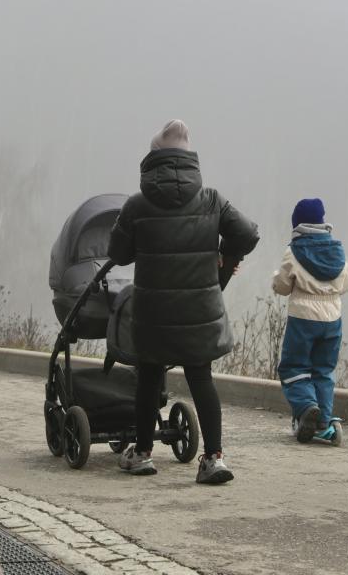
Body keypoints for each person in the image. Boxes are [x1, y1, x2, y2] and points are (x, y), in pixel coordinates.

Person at [108, 119, 259, 484]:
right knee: (201, 377)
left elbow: (118, 253)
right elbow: (248, 235)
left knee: (148, 376)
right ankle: (213, 459)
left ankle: (143, 453)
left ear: (154, 160)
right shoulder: (212, 201)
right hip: (198, 313)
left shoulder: (137, 205)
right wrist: (223, 262)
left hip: (153, 314)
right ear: (191, 159)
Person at [272, 198, 348, 442]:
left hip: (303, 318)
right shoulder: (337, 249)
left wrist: (275, 278)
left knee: (294, 367)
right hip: (332, 319)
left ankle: (307, 407)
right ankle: (324, 423)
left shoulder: (294, 250)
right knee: (324, 371)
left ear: (297, 223)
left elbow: (283, 286)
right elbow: (346, 282)